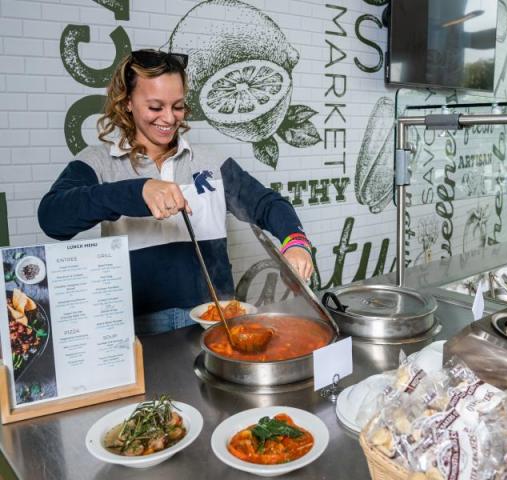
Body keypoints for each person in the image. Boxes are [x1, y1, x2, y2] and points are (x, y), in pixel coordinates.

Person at [38, 49, 314, 335]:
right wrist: (137, 191)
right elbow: (52, 217)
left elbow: (268, 204)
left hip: (215, 317)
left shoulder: (211, 163)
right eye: (156, 107)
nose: (169, 118)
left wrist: (294, 242)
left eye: (178, 106)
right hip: (135, 326)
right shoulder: (99, 162)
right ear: (128, 102)